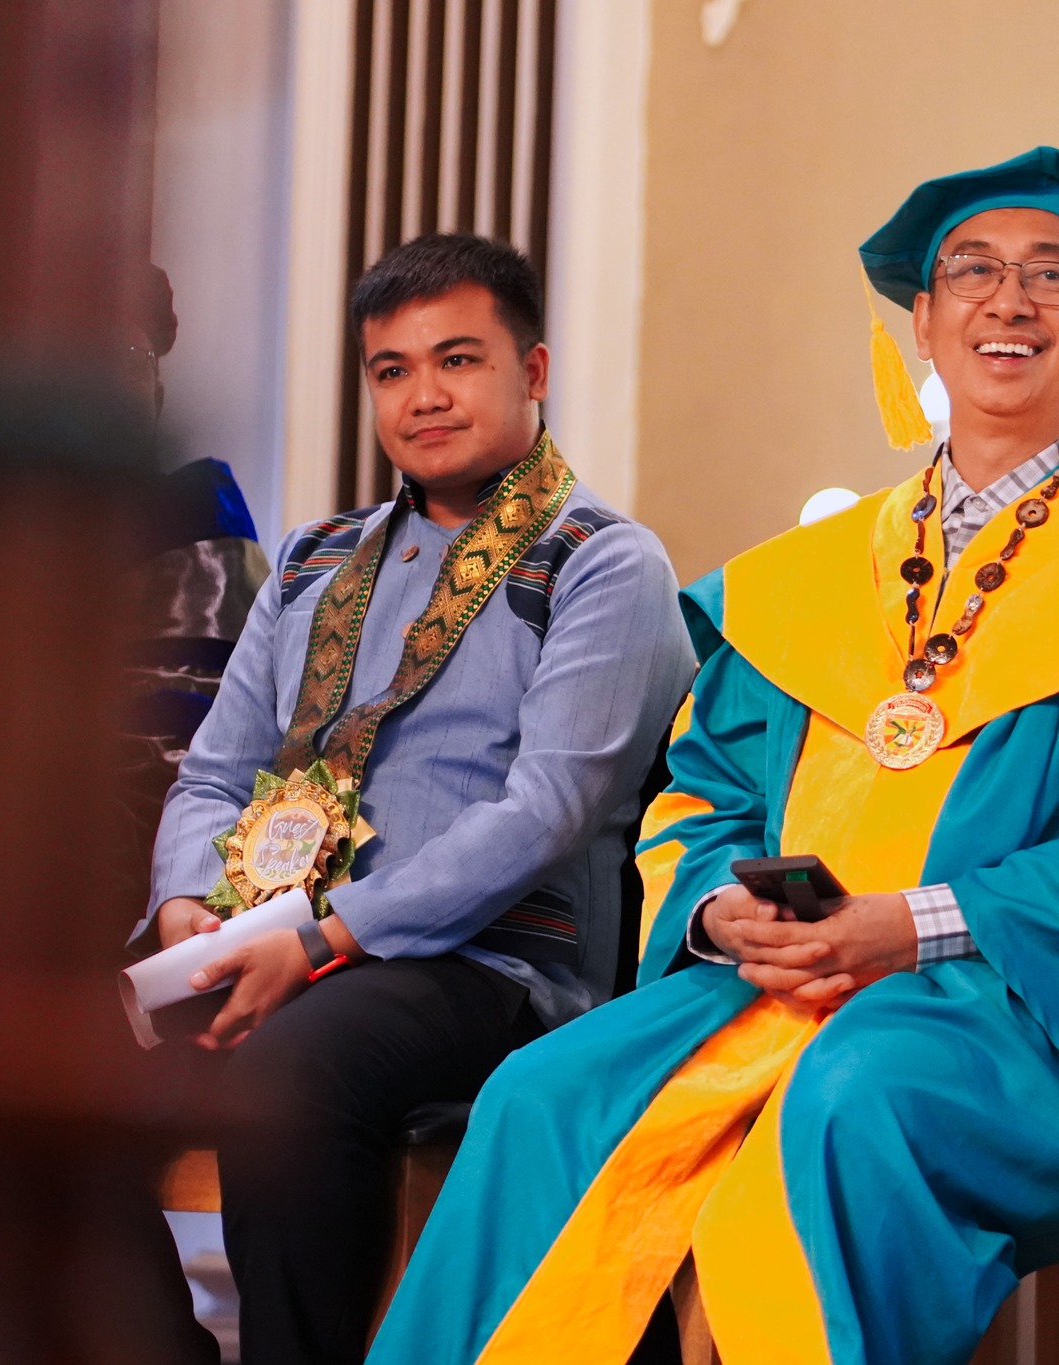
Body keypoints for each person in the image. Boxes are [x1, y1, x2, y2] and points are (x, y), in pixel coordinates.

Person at [368, 147, 1059, 1365]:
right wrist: (722, 911)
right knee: (541, 1096)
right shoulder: (814, 575)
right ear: (924, 323)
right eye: (972, 272)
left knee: (848, 1097)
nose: (1008, 301)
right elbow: (703, 794)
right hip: (772, 992)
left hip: (1025, 1019)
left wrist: (906, 928)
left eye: (1050, 276)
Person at [133, 232, 693, 1365]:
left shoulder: (601, 561)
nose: (423, 396)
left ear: (532, 372)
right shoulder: (312, 561)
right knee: (30, 1052)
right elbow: (214, 772)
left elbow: (546, 810)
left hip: (489, 969)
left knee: (291, 1071)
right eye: (392, 370)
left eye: (457, 360)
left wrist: (324, 938)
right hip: (268, 942)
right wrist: (189, 906)